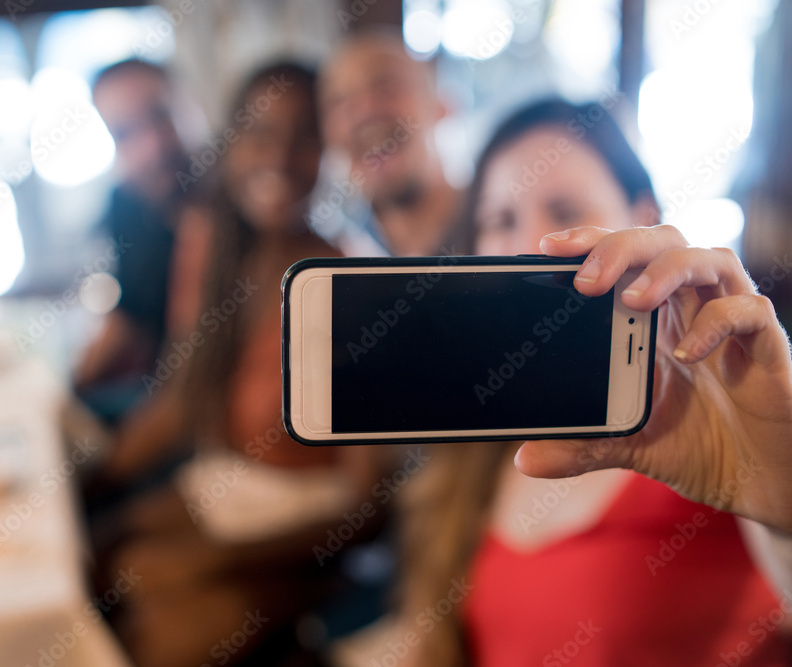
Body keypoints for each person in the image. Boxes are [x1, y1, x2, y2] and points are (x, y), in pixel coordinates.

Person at [396, 99, 792, 665]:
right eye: (499, 220)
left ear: (644, 216)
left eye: (564, 209)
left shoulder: (723, 408)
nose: (530, 246)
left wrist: (787, 501)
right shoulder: (476, 444)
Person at [92, 62, 387, 667]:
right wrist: (85, 475)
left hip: (304, 527)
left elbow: (366, 503)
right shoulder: (225, 246)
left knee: (146, 625)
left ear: (332, 145)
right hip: (227, 486)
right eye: (259, 133)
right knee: (96, 560)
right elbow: (183, 398)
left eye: (303, 135)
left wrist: (220, 557)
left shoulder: (351, 280)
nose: (278, 156)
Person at [73, 59, 191, 424]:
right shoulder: (127, 203)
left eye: (161, 116)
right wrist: (70, 392)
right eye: (125, 134)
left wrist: (106, 478)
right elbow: (128, 318)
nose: (153, 146)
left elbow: (192, 395)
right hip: (156, 393)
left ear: (193, 103)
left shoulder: (238, 212)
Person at [319, 30, 467, 257]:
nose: (363, 111)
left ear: (442, 107)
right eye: (340, 101)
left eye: (386, 87)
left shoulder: (507, 229)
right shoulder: (334, 255)